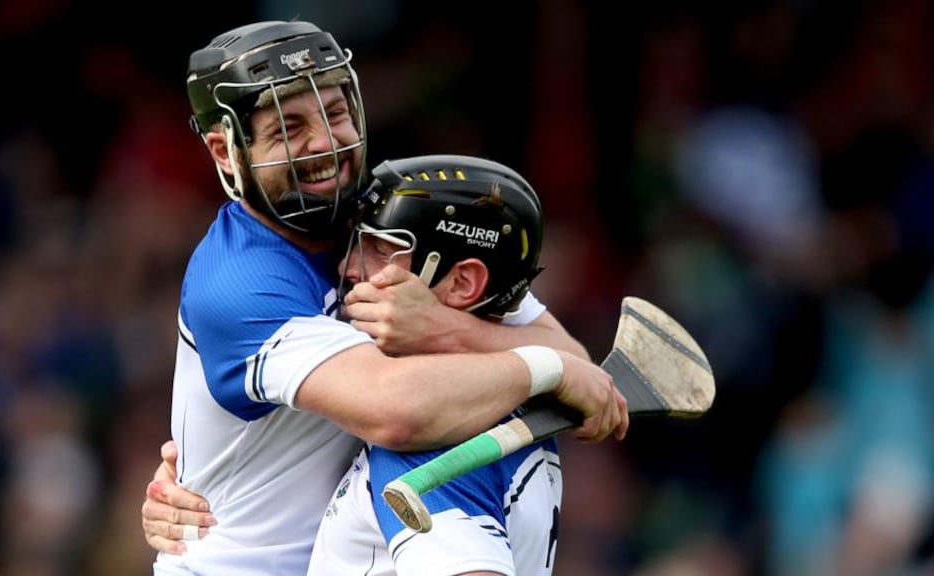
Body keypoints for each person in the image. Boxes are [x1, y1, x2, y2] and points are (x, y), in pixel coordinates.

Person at [149, 19, 628, 576]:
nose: (325, 144)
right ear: (228, 154)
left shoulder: (393, 214)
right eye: (289, 128)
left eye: (334, 113)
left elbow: (565, 355)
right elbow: (396, 410)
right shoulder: (237, 281)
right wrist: (549, 369)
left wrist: (453, 331)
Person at [306, 154, 567, 576]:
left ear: (463, 282)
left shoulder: (431, 433)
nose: (347, 268)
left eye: (380, 248)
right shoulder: (508, 401)